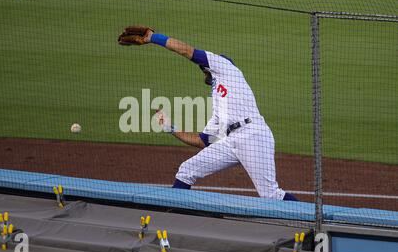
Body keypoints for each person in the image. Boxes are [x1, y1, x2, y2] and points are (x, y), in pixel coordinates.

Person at [118, 26, 298, 201]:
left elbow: (187, 51)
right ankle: (176, 216)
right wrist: (171, 128)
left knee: (270, 195)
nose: (202, 70)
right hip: (231, 141)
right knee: (187, 170)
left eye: (204, 68)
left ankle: (314, 225)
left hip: (253, 135)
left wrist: (153, 38)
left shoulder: (225, 67)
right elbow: (203, 141)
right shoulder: (219, 103)